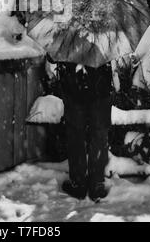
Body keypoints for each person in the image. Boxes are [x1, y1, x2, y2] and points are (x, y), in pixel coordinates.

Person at [59, 61, 113, 202]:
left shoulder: (69, 39)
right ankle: (96, 184)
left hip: (75, 85)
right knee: (99, 135)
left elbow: (54, 55)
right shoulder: (104, 39)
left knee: (76, 135)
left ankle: (79, 183)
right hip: (99, 86)